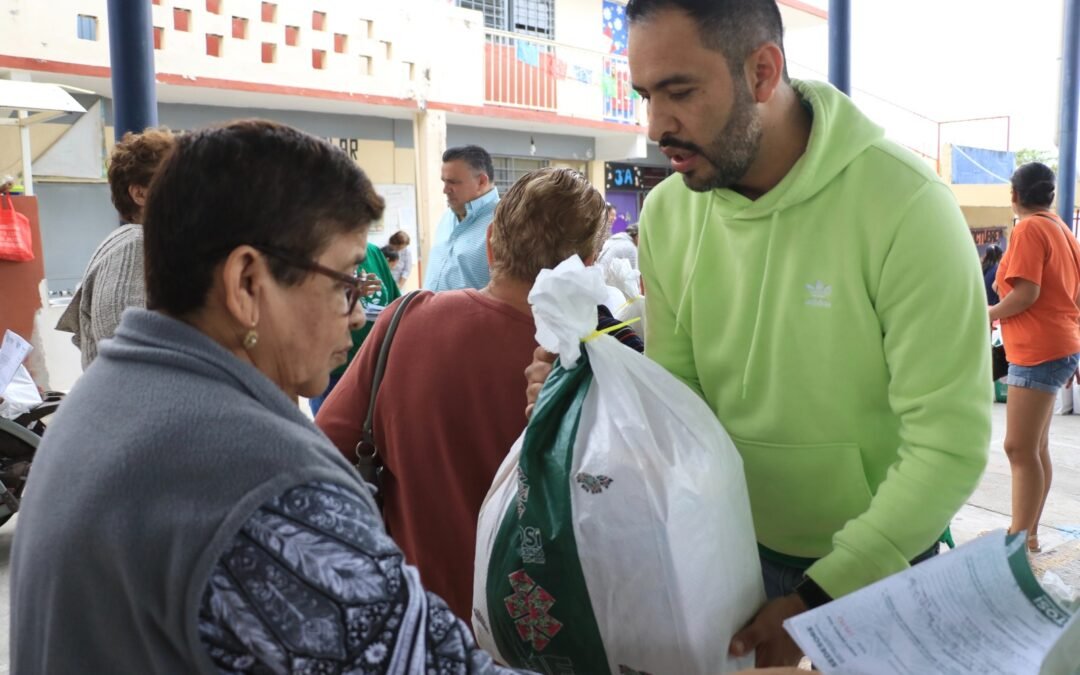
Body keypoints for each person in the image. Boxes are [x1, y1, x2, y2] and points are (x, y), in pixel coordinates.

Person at [527, 0, 991, 667]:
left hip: (883, 565)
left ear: (764, 72)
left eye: (680, 91)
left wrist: (820, 592)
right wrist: (580, 403)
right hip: (720, 548)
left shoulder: (907, 206)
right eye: (646, 96)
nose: (658, 124)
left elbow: (949, 444)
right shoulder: (668, 216)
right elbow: (680, 406)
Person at [10, 120, 521, 674]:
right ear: (247, 284)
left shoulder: (103, 400)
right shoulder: (265, 482)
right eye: (346, 281)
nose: (355, 317)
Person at [317, 167, 640, 624]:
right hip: (547, 635)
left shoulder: (405, 320)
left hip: (419, 624)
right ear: (588, 266)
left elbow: (325, 452)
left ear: (490, 243)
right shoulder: (599, 359)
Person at [989, 162, 1080, 554]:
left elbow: (1026, 294)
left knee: (1019, 448)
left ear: (1014, 196)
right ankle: (1028, 535)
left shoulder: (1029, 228)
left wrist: (984, 314)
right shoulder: (1062, 230)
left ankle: (1020, 541)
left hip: (1039, 348)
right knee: (1035, 447)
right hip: (1059, 343)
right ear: (1051, 195)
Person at [55, 127, 175, 369]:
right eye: (176, 181)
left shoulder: (140, 245)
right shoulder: (135, 246)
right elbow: (130, 356)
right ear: (140, 193)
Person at [307, 241, 399, 416]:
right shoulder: (318, 248)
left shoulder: (373, 252)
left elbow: (394, 304)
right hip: (335, 371)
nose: (358, 319)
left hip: (376, 367)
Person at [424, 145, 499, 291]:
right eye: (444, 182)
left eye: (453, 182)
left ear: (481, 182)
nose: (445, 190)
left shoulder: (506, 222)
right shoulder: (447, 217)